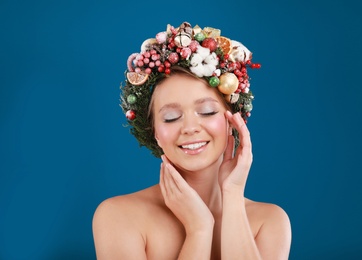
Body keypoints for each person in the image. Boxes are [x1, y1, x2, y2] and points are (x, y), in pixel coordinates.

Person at [92, 21, 291, 259]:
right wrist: (199, 230)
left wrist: (233, 196)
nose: (189, 128)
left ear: (232, 120)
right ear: (153, 131)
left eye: (207, 112)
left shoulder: (269, 221)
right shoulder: (118, 216)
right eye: (171, 117)